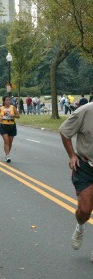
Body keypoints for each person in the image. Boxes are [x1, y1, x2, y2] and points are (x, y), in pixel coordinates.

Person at [59, 102, 93, 260]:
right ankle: (80, 226)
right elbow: (65, 132)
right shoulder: (85, 111)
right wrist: (72, 155)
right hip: (86, 165)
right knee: (85, 210)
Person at [0, 95, 20, 162]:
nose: (8, 101)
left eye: (9, 100)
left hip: (12, 126)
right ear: (4, 101)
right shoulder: (1, 108)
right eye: (7, 100)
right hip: (3, 126)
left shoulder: (13, 107)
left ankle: (7, 153)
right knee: (6, 141)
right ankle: (7, 156)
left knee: (10, 141)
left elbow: (18, 116)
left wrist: (13, 115)